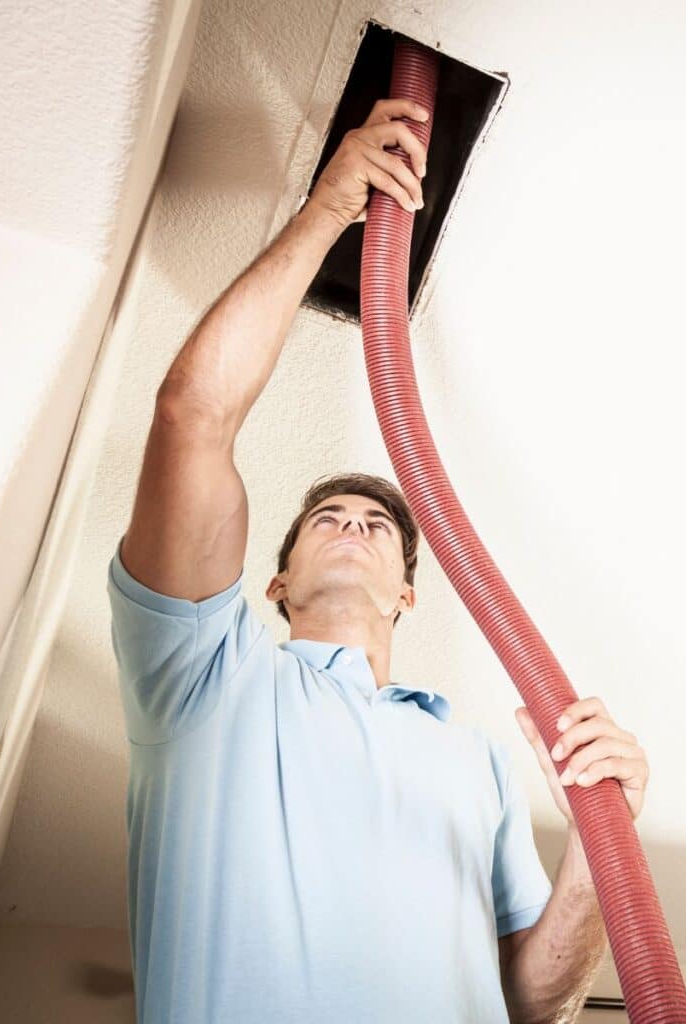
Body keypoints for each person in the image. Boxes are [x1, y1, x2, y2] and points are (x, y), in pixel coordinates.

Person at [107, 97, 649, 1023]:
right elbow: (193, 415)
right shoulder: (204, 678)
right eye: (327, 516)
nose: (355, 522)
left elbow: (529, 1000)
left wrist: (605, 850)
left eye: (377, 523)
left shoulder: (475, 763)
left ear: (408, 591)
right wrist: (328, 210)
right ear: (272, 585)